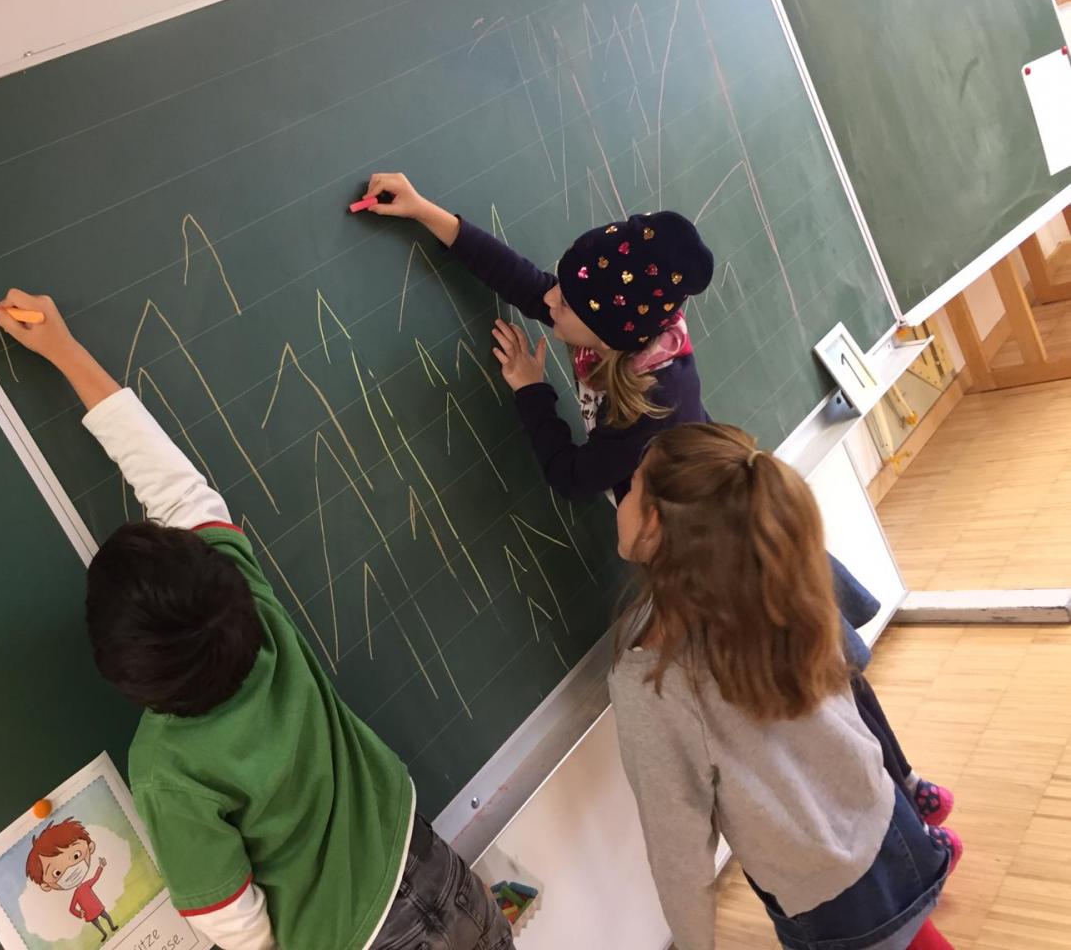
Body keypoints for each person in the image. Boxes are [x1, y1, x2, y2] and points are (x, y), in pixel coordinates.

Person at [361, 172, 955, 829]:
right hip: (732, 530)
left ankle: (899, 801)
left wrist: (531, 389)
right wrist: (424, 211)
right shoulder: (632, 327)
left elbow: (570, 473)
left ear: (607, 330)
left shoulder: (645, 411)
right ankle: (906, 790)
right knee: (826, 678)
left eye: (565, 301)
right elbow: (531, 284)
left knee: (819, 685)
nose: (549, 299)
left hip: (724, 571)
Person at [0, 293, 512, 950]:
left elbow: (232, 919)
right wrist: (66, 352)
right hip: (429, 865)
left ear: (123, 671)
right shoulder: (249, 602)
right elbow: (175, 486)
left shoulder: (166, 764)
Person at [610, 423, 956, 950]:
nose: (622, 496)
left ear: (654, 523)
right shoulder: (780, 584)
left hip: (829, 897)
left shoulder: (653, 685)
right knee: (916, 936)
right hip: (889, 824)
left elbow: (677, 848)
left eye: (633, 485)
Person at [26, 819, 117, 942]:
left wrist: (101, 866)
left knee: (107, 917)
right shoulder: (77, 893)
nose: (70, 869)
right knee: (98, 925)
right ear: (46, 886)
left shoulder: (85, 886)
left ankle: (112, 926)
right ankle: (104, 934)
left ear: (90, 847)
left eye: (76, 856)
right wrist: (80, 914)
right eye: (57, 873)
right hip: (90, 913)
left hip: (97, 907)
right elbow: (72, 908)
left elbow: (95, 878)